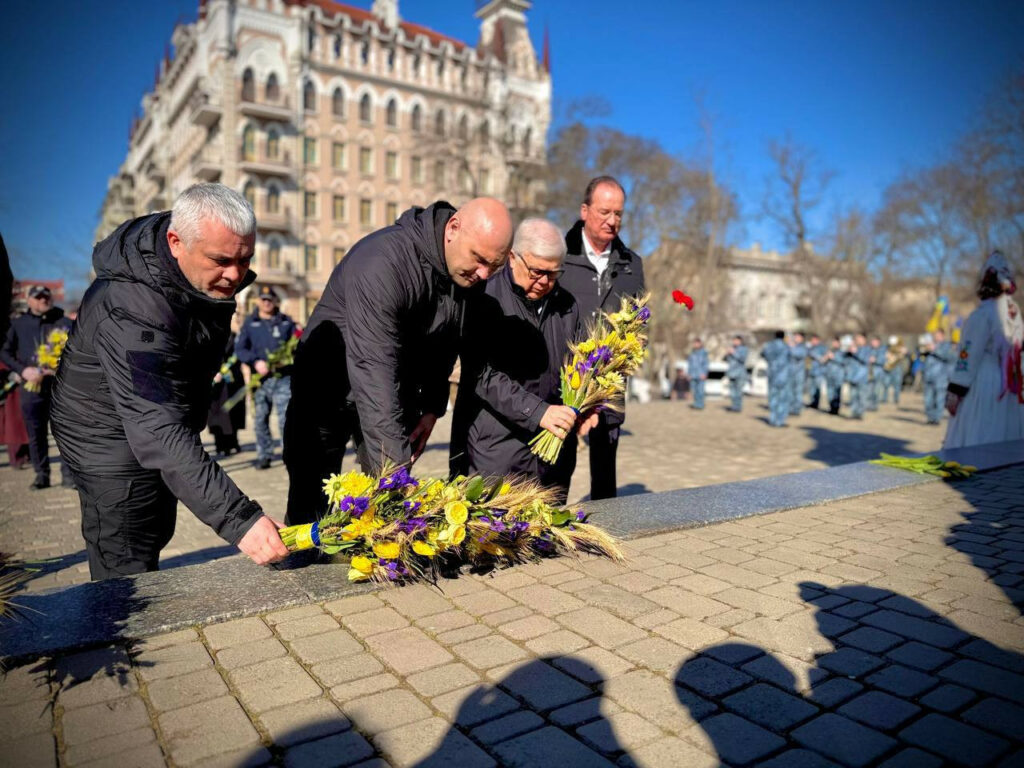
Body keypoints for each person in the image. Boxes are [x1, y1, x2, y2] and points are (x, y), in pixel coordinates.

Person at [51, 183, 289, 579]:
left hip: (153, 421)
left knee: (156, 524)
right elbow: (156, 427)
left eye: (245, 259)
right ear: (176, 241)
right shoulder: (133, 305)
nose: (235, 275)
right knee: (127, 555)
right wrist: (241, 520)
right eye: (221, 260)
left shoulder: (193, 275)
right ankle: (118, 634)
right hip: (105, 436)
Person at [283, 198, 512, 524]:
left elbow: (445, 345)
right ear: (453, 229)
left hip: (389, 391)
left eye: (495, 266)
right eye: (479, 259)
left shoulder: (465, 277)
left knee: (379, 517)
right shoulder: (383, 261)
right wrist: (397, 475)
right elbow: (373, 369)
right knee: (310, 510)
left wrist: (432, 408)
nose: (484, 274)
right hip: (326, 392)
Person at [451, 219, 593, 503]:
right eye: (537, 271)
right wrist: (539, 412)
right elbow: (481, 374)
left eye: (554, 274)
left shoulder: (567, 305)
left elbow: (580, 365)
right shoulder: (483, 296)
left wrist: (587, 403)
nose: (544, 282)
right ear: (513, 257)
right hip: (494, 452)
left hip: (551, 459)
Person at [560, 176, 645, 500]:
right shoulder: (560, 255)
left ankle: (605, 529)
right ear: (585, 210)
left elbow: (639, 322)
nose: (613, 221)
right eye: (605, 212)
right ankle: (550, 527)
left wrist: (626, 357)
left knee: (605, 470)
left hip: (610, 385)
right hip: (566, 381)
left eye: (619, 214)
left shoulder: (631, 264)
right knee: (557, 464)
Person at [945, 250, 1024, 448]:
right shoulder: (1015, 314)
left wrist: (956, 388)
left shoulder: (983, 315)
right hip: (1008, 383)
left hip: (985, 380)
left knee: (981, 428)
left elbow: (969, 353)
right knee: (1004, 428)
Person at [0, 285, 73, 490]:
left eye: (46, 297)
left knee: (65, 432)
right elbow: (5, 353)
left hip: (60, 388)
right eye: (38, 297)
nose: (43, 300)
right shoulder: (17, 324)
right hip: (31, 388)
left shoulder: (64, 322)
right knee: (36, 434)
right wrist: (23, 371)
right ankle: (42, 475)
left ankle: (68, 476)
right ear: (29, 300)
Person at [235, 285, 296, 469]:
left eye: (270, 300)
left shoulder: (286, 322)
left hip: (283, 378)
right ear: (258, 301)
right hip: (260, 380)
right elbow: (240, 350)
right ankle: (264, 454)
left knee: (286, 418)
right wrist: (255, 362)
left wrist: (288, 358)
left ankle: (289, 455)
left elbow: (298, 345)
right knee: (260, 418)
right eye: (263, 299)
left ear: (275, 301)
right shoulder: (250, 323)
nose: (266, 302)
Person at [208, 310, 246, 456]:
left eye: (238, 318)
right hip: (216, 381)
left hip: (234, 380)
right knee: (217, 413)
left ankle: (233, 442)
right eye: (235, 318)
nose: (237, 321)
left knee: (234, 412)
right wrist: (213, 372)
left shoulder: (239, 338)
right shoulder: (213, 335)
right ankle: (220, 444)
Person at [921, 330, 954, 425]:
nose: (936, 337)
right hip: (928, 377)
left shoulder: (947, 346)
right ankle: (930, 417)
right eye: (935, 335)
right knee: (928, 399)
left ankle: (937, 419)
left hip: (941, 378)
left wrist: (935, 349)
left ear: (942, 336)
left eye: (938, 335)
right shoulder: (928, 346)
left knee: (939, 399)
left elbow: (950, 357)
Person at [761, 331, 790, 427]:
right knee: (782, 399)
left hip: (772, 375)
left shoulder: (768, 346)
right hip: (783, 376)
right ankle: (780, 421)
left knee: (773, 398)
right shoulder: (786, 346)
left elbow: (762, 354)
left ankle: (772, 419)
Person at [844, 333, 870, 419]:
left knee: (861, 396)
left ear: (864, 339)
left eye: (859, 338)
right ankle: (853, 413)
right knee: (853, 396)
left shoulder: (867, 349)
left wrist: (856, 352)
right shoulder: (853, 349)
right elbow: (846, 360)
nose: (857, 340)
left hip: (862, 377)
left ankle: (860, 413)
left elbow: (865, 360)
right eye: (856, 338)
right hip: (852, 377)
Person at [724, 335, 748, 412]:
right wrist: (727, 354)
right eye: (734, 340)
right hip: (731, 373)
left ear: (740, 341)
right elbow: (726, 360)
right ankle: (734, 406)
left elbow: (742, 359)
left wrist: (734, 352)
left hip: (740, 373)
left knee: (738, 391)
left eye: (736, 341)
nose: (735, 342)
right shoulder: (732, 349)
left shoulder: (744, 349)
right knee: (732, 391)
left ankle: (738, 407)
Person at [823, 337, 845, 416]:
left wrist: (834, 357)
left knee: (837, 393)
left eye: (836, 342)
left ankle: (836, 408)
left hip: (838, 375)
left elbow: (843, 361)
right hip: (829, 375)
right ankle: (831, 407)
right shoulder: (829, 351)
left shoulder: (842, 353)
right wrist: (826, 357)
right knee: (830, 392)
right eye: (833, 342)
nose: (834, 344)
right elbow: (823, 361)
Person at [787, 331, 807, 416]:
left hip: (799, 373)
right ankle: (790, 408)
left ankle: (797, 409)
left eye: (797, 337)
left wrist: (791, 347)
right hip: (790, 372)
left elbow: (799, 355)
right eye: (795, 336)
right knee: (790, 391)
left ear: (801, 338)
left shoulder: (803, 347)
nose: (795, 338)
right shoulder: (791, 346)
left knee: (798, 392)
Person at [883, 335, 906, 405]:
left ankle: (896, 399)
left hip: (897, 367)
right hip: (888, 367)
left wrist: (902, 353)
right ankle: (885, 399)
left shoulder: (900, 348)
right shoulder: (887, 348)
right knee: (886, 384)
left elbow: (903, 356)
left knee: (897, 384)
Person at [687, 338, 709, 410]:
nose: (695, 345)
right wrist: (689, 374)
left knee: (700, 391)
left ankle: (700, 404)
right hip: (693, 375)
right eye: (694, 343)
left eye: (697, 343)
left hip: (701, 374)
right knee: (695, 390)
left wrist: (704, 373)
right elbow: (690, 364)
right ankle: (696, 404)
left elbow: (706, 364)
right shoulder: (692, 353)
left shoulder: (704, 353)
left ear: (700, 344)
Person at [806, 333, 826, 410]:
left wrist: (817, 356)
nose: (812, 341)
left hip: (819, 372)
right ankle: (812, 402)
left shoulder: (822, 348)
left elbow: (824, 358)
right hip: (811, 371)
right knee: (811, 388)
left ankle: (816, 403)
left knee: (817, 388)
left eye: (814, 340)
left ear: (817, 340)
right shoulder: (810, 348)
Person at [865, 335, 886, 411]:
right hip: (869, 373)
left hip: (878, 373)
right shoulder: (868, 349)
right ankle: (868, 405)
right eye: (872, 341)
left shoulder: (883, 350)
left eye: (874, 341)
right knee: (868, 390)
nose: (872, 343)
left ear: (878, 342)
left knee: (876, 391)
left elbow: (884, 360)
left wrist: (875, 360)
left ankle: (874, 406)